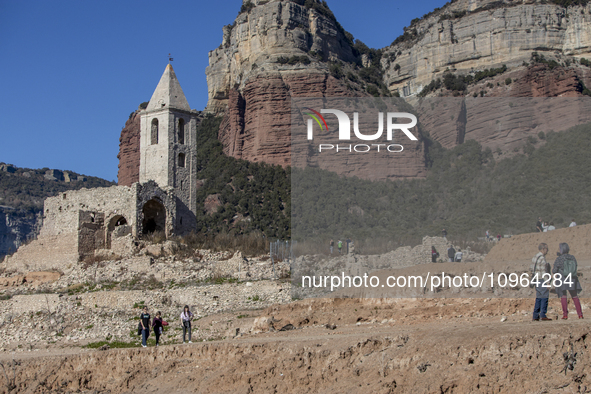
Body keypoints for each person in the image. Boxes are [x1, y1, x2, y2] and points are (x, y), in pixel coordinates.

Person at [552, 242, 583, 319]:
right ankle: (580, 314)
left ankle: (565, 315)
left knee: (563, 295)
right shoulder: (573, 257)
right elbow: (575, 267)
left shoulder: (559, 258)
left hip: (562, 278)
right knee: (574, 295)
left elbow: (554, 270)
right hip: (572, 278)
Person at [531, 243, 551, 321]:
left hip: (536, 280)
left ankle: (535, 316)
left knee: (538, 297)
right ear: (543, 249)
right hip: (541, 280)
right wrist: (548, 282)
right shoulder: (542, 258)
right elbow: (543, 272)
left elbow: (531, 268)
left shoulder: (535, 256)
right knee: (544, 297)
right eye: (547, 249)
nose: (547, 251)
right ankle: (543, 315)